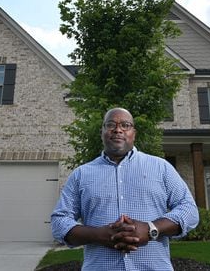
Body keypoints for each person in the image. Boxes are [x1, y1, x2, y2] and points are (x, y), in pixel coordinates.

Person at [51, 107, 199, 270]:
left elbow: (189, 209)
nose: (118, 130)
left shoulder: (161, 168)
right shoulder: (81, 174)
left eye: (125, 125)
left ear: (133, 133)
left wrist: (151, 229)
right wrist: (98, 235)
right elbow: (59, 220)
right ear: (102, 132)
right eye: (110, 125)